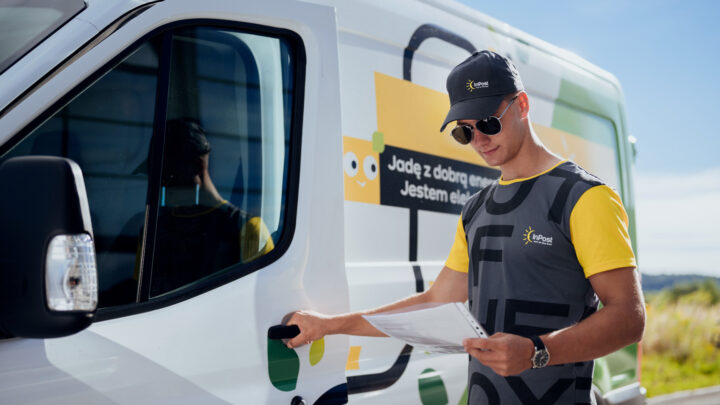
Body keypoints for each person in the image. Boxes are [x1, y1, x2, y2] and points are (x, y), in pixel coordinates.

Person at [286, 51, 645, 404]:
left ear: (522, 105)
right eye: (464, 131)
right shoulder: (475, 210)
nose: (479, 140)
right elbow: (435, 302)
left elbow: (629, 318)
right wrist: (329, 325)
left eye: (488, 123)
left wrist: (536, 352)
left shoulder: (585, 197)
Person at [151, 119, 274, 295]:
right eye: (156, 176)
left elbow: (264, 298)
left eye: (170, 174)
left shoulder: (248, 230)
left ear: (198, 166)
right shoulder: (152, 231)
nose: (162, 184)